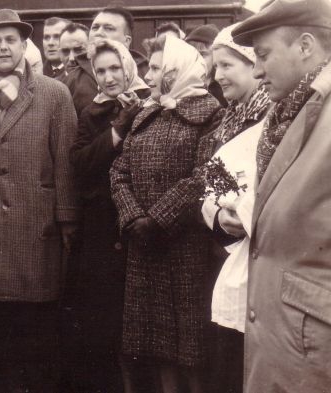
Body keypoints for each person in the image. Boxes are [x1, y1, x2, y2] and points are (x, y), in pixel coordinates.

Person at [110, 35, 221, 393]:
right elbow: (119, 170)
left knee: (191, 349)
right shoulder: (147, 112)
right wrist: (133, 218)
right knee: (156, 346)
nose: (149, 74)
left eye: (157, 68)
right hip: (144, 246)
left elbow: (205, 173)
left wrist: (158, 219)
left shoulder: (210, 113)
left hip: (185, 246)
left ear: (176, 71)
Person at [230, 0, 331, 391]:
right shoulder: (290, 112)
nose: (256, 71)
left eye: (263, 55)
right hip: (290, 345)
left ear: (305, 47)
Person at [0, 9, 78, 391]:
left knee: (36, 327)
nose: (3, 47)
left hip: (37, 227)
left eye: (11, 40)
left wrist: (67, 220)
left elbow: (66, 161)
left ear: (24, 45)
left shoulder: (53, 93)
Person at [68, 39, 147, 392]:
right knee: (103, 319)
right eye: (100, 71)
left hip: (140, 222)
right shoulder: (91, 113)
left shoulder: (151, 103)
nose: (109, 77)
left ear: (128, 66)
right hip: (101, 225)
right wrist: (117, 130)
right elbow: (80, 164)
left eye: (115, 68)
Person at [197, 23, 271, 393]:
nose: (218, 76)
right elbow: (207, 184)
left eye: (227, 65)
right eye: (214, 68)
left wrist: (239, 215)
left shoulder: (267, 115)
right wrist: (218, 216)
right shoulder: (228, 117)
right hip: (224, 247)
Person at [186, 24, 226, 106]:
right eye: (190, 54)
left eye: (202, 55)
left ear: (215, 58)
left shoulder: (223, 91)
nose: (195, 60)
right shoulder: (181, 89)